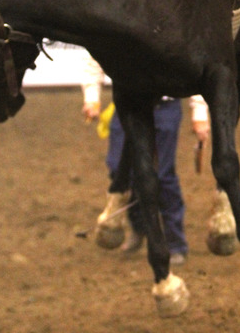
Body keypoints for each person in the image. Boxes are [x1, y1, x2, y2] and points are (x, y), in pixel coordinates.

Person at [81, 52, 209, 266]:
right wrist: (92, 97)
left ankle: (174, 242)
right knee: (118, 171)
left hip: (165, 107)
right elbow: (96, 55)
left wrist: (200, 113)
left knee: (163, 175)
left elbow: (195, 63)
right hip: (128, 104)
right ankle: (139, 226)